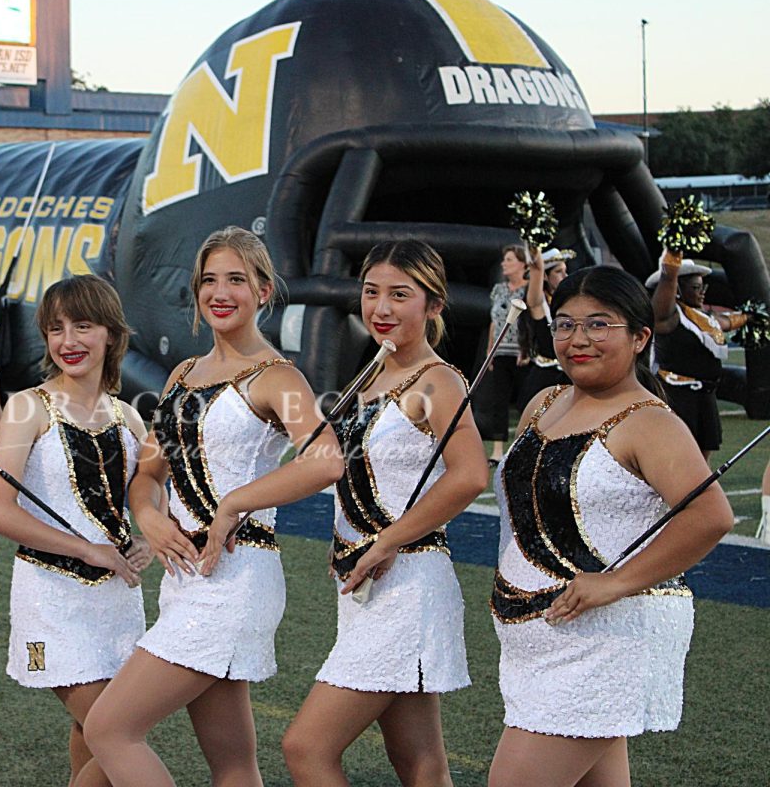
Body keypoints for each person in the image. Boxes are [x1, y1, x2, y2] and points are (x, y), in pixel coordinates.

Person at [80, 226, 345, 787]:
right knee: (232, 763)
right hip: (184, 579)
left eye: (236, 280)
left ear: (264, 291)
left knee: (108, 730)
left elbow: (325, 461)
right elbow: (149, 472)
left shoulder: (278, 377)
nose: (220, 292)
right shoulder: (182, 375)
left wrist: (234, 505)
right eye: (208, 280)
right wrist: (148, 518)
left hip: (235, 577)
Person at [489, 266, 732, 787]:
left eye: (599, 325)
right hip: (539, 635)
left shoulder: (650, 422)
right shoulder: (544, 402)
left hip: (606, 639)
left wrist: (615, 582)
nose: (578, 340)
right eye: (565, 325)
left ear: (641, 337)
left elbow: (711, 515)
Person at [281, 240, 487, 787]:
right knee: (417, 761)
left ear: (433, 305)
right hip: (367, 585)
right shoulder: (370, 375)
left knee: (305, 747)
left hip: (407, 583)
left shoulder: (438, 381)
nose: (382, 308)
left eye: (401, 295)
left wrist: (388, 540)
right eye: (372, 292)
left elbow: (470, 475)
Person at [0, 274, 152, 787]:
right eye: (56, 329)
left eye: (83, 325)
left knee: (93, 729)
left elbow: (145, 501)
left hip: (117, 600)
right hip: (53, 596)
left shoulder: (128, 417)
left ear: (111, 334)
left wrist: (143, 539)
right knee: (113, 727)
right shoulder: (28, 406)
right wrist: (86, 549)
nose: (68, 341)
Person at [649, 251, 747, 462]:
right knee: (679, 459)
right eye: (695, 287)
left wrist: (753, 316)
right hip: (678, 396)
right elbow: (667, 279)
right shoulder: (667, 317)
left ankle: (701, 494)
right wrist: (673, 257)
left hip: (704, 397)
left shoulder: (702, 319)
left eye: (703, 287)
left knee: (703, 461)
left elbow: (726, 321)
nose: (702, 292)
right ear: (677, 291)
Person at [473, 243, 529, 464]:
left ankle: (522, 448)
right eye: (504, 259)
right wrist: (490, 351)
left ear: (523, 264)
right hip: (500, 351)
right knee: (499, 401)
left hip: (523, 353)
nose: (504, 264)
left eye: (510, 260)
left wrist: (526, 348)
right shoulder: (499, 289)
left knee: (525, 401)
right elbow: (494, 322)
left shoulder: (531, 290)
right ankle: (497, 451)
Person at [516, 246, 574, 412]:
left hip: (568, 375)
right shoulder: (539, 303)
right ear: (546, 277)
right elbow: (536, 272)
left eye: (565, 271)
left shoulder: (569, 303)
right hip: (545, 378)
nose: (565, 276)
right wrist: (534, 242)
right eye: (559, 272)